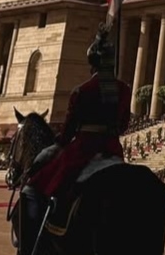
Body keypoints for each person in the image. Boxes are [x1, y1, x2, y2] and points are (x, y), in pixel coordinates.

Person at [19, 24, 132, 254]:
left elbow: (68, 132)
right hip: (113, 151)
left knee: (32, 190)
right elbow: (123, 125)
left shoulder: (82, 91)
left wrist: (58, 143)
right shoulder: (123, 90)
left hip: (83, 152)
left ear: (92, 64)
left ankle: (31, 246)